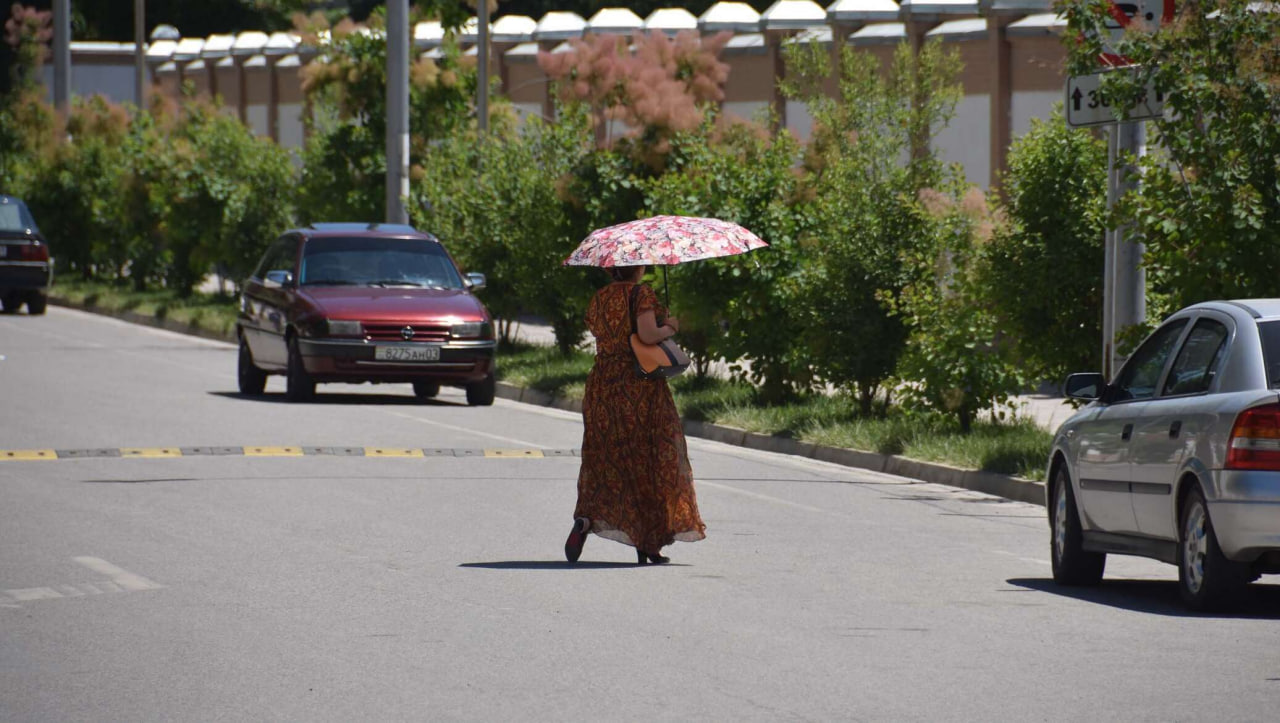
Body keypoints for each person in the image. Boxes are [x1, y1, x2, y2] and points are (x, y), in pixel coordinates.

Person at [564, 264, 706, 564]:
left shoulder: (600, 297)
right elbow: (647, 334)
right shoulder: (641, 293)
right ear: (638, 266)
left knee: (605, 458)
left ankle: (586, 519)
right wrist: (671, 326)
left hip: (602, 383)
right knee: (649, 457)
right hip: (637, 384)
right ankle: (649, 542)